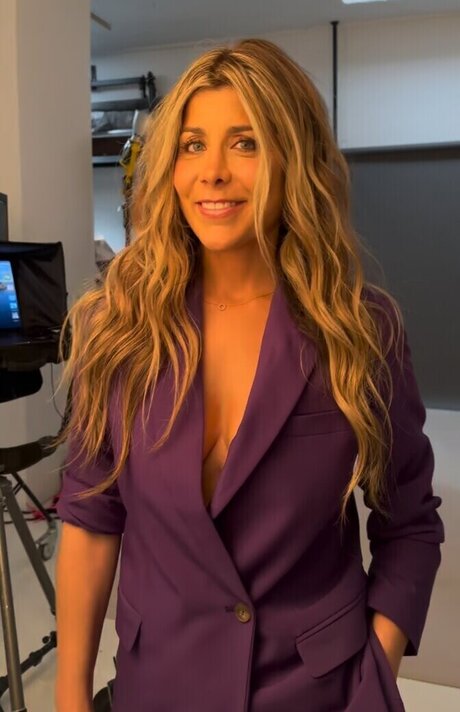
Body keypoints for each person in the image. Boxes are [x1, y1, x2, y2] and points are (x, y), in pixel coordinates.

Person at [54, 38, 444, 712]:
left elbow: (408, 523)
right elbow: (92, 519)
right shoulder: (118, 326)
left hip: (318, 692)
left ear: (293, 160)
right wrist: (69, 697)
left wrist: (375, 674)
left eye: (245, 143)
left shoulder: (360, 328)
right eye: (192, 145)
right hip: (159, 684)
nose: (212, 172)